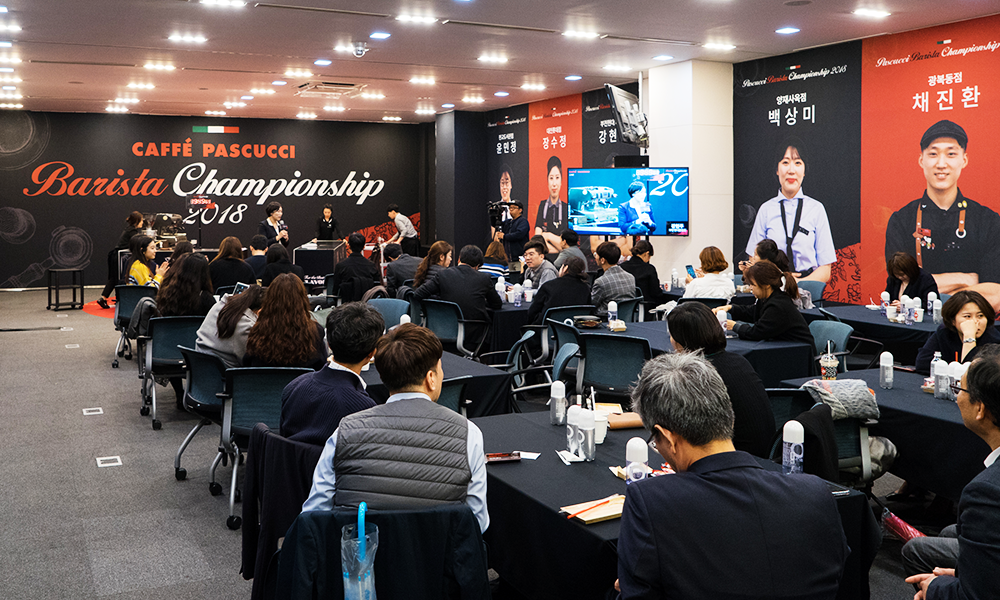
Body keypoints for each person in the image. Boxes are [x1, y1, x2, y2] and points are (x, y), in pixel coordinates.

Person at [617, 352, 848, 599]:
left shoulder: (650, 503)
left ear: (668, 438)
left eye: (656, 443)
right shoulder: (816, 493)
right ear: (729, 417)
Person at [301, 323, 489, 533]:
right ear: (431, 378)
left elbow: (314, 514)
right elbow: (477, 523)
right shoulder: (469, 434)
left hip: (363, 553)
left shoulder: (344, 432)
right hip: (440, 554)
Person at [904, 345, 1000, 600]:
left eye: (960, 389)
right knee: (950, 532)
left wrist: (936, 588)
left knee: (917, 554)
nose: (957, 397)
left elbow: (977, 596)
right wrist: (963, 574)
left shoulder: (987, 492)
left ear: (980, 409)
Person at [885, 120, 1000, 309]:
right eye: (933, 154)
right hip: (914, 326)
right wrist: (966, 279)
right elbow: (901, 289)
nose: (941, 164)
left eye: (951, 154)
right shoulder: (901, 221)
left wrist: (927, 293)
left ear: (964, 160)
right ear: (921, 160)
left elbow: (995, 294)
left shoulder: (988, 221)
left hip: (970, 326)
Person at [666, 302, 775, 457]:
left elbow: (675, 423)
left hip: (736, 458)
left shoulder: (698, 374)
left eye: (672, 335)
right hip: (764, 454)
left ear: (679, 342)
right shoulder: (739, 360)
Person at [279, 303, 382, 447]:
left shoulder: (293, 387)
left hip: (289, 461)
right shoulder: (363, 408)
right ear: (372, 354)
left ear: (329, 345)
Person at [745, 139, 836, 283]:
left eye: (798, 162)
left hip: (808, 288)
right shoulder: (766, 210)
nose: (791, 170)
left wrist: (797, 284)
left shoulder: (816, 209)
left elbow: (825, 269)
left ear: (804, 170)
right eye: (785, 162)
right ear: (777, 169)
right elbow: (753, 260)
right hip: (773, 287)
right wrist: (780, 281)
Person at [413, 244, 502, 350]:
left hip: (443, 330)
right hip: (473, 335)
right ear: (478, 266)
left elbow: (418, 294)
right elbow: (497, 304)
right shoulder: (484, 278)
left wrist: (439, 306)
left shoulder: (443, 274)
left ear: (459, 259)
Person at [156, 252, 215, 403]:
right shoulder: (206, 298)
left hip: (167, 350)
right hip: (197, 352)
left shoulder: (166, 293)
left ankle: (179, 392)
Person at [715, 259, 814, 345]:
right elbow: (752, 312)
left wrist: (734, 326)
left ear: (766, 285)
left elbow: (756, 332)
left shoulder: (778, 306)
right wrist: (730, 308)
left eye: (753, 285)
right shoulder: (768, 299)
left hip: (798, 351)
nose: (750, 288)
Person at [244, 273, 327, 370]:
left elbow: (247, 364)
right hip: (303, 380)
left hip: (264, 380)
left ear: (269, 299)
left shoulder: (257, 330)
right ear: (303, 300)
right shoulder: (316, 332)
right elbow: (321, 367)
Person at [914, 290, 1000, 374]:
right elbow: (922, 363)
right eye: (967, 316)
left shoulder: (994, 339)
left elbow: (971, 374)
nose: (975, 322)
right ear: (953, 320)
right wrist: (953, 369)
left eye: (980, 316)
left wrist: (969, 337)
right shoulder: (945, 332)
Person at [195, 284, 263, 368]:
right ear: (260, 311)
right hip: (224, 374)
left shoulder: (219, 306)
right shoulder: (246, 327)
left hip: (200, 369)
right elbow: (249, 363)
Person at [98, 210, 144, 309]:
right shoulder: (132, 232)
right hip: (119, 257)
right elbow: (137, 244)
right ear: (137, 221)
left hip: (116, 256)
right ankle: (107, 298)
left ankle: (107, 298)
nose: (143, 222)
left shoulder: (129, 229)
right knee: (117, 279)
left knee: (114, 279)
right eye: (141, 220)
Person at [526, 256, 592, 325]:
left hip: (548, 329)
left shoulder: (548, 286)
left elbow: (532, 312)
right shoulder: (585, 289)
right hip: (576, 329)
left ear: (565, 268)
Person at [534, 156, 569, 254]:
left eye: (557, 178)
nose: (554, 183)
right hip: (545, 259)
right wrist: (559, 249)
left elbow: (567, 245)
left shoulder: (566, 208)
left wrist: (547, 236)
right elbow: (537, 241)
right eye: (551, 178)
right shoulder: (542, 206)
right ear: (547, 181)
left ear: (561, 181)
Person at [591, 241, 636, 316]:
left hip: (605, 319)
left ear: (602, 260)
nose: (595, 257)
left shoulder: (601, 282)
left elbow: (592, 304)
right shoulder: (631, 278)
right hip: (627, 319)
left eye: (596, 255)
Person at [331, 233, 380, 300]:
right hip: (367, 303)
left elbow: (335, 291)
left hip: (346, 304)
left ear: (348, 246)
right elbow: (376, 288)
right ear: (363, 247)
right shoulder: (371, 266)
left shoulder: (341, 266)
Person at [620, 240, 668, 305]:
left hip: (626, 305)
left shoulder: (622, 267)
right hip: (646, 306)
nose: (649, 259)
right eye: (649, 257)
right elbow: (656, 293)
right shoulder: (649, 269)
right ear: (647, 253)